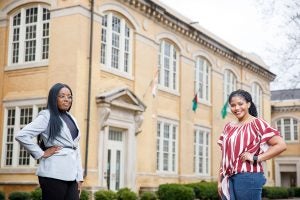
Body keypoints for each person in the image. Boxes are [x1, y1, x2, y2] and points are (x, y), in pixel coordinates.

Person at [15, 83, 83, 200]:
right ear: (53, 98)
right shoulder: (46, 116)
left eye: (69, 96)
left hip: (71, 175)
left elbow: (76, 149)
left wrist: (79, 177)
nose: (67, 99)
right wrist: (41, 153)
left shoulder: (72, 119)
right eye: (62, 96)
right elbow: (22, 135)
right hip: (53, 173)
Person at [217, 89, 286, 200]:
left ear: (248, 104)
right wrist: (219, 181)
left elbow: (281, 145)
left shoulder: (257, 123)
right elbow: (224, 156)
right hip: (228, 178)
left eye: (240, 104)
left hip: (248, 176)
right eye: (233, 105)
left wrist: (256, 157)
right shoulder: (228, 127)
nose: (237, 108)